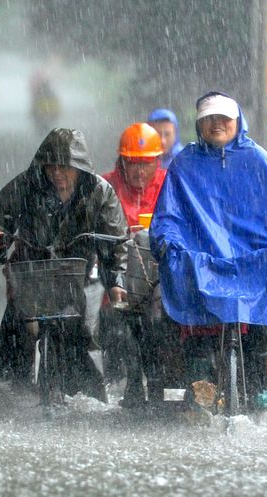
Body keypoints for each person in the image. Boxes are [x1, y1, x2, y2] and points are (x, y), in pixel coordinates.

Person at [150, 92, 267, 405]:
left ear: (237, 121)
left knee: (259, 318)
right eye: (209, 118)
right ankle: (201, 385)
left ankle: (257, 383)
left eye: (223, 118)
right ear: (199, 124)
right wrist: (169, 242)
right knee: (196, 320)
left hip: (254, 259)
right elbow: (168, 217)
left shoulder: (258, 159)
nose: (217, 124)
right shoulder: (185, 165)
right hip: (203, 260)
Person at [0, 128, 128, 400]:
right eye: (52, 166)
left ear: (79, 167)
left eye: (65, 167)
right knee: (17, 329)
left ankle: (88, 396)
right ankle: (6, 392)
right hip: (32, 274)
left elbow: (116, 242)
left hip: (80, 276)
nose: (58, 173)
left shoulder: (100, 192)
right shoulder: (27, 184)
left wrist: (116, 281)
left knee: (85, 332)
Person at [101, 122, 169, 404]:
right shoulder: (105, 187)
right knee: (117, 319)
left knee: (157, 319)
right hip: (118, 275)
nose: (140, 172)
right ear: (122, 163)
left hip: (159, 275)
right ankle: (128, 379)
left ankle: (155, 381)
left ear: (157, 162)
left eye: (147, 164)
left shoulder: (170, 184)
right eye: (133, 164)